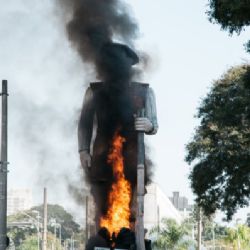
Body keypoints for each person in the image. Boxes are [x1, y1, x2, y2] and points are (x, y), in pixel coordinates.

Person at [78, 42, 158, 224]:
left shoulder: (144, 92)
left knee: (134, 210)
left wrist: (148, 125)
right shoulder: (94, 92)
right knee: (102, 210)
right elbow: (84, 124)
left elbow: (154, 124)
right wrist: (83, 150)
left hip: (133, 160)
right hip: (101, 159)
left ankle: (130, 240)